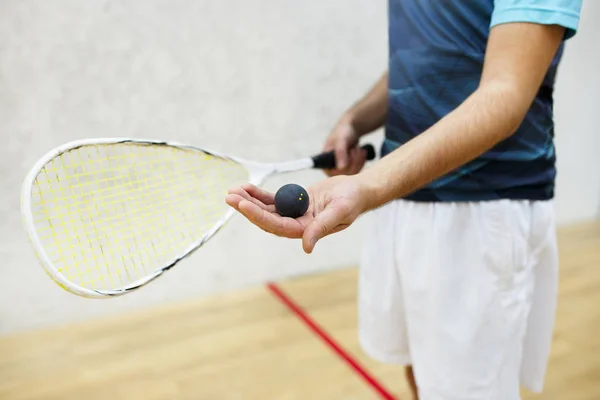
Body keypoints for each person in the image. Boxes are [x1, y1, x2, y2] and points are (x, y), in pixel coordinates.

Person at [226, 1, 583, 399]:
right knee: (420, 375)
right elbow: (434, 52)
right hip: (401, 194)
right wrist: (356, 119)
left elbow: (505, 94)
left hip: (481, 208)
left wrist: (368, 185)